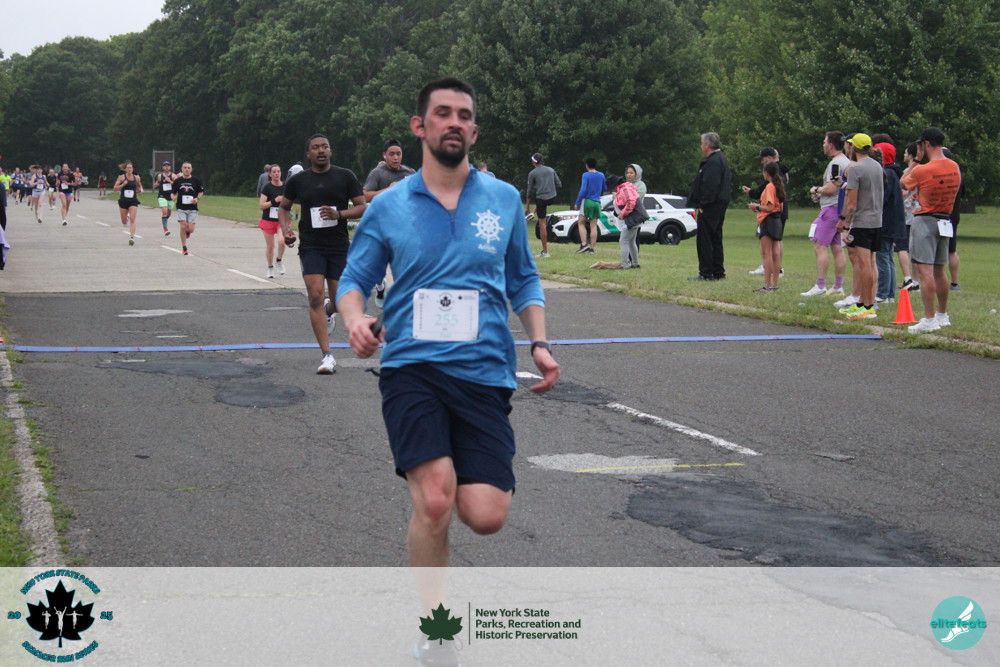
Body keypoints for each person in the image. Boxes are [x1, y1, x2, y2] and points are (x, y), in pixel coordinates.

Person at [336, 78, 559, 583]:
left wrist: (540, 344)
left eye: (464, 115)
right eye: (443, 113)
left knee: (486, 515)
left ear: (474, 132)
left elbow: (523, 278)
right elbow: (353, 280)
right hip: (411, 367)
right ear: (420, 126)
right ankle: (433, 621)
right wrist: (353, 319)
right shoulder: (389, 204)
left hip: (484, 370)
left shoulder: (503, 199)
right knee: (435, 501)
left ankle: (450, 469)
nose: (454, 122)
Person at [278, 134, 367, 374]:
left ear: (330, 151)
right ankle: (327, 356)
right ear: (308, 154)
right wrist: (286, 231)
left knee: (339, 301)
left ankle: (329, 311)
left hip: (338, 246)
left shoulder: (345, 176)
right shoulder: (298, 181)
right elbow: (284, 207)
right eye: (316, 147)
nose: (321, 151)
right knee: (315, 295)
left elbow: (362, 206)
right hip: (311, 246)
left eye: (325, 147)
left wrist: (340, 214)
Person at [899, 127, 962, 333]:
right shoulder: (954, 166)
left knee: (924, 271)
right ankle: (942, 315)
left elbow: (903, 183)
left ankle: (928, 318)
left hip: (925, 220)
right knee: (939, 270)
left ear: (926, 144)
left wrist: (916, 160)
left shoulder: (922, 170)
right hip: (945, 219)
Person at [363, 139, 416, 308]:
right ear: (384, 155)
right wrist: (388, 189)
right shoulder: (378, 173)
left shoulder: (410, 173)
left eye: (398, 154)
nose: (395, 157)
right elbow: (365, 196)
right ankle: (380, 286)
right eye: (391, 154)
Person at [835, 133, 883, 320]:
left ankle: (868, 306)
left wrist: (846, 224)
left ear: (854, 147)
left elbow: (852, 202)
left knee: (864, 265)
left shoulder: (855, 168)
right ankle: (862, 302)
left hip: (862, 221)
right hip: (876, 220)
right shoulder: (877, 165)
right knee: (869, 262)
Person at [802, 132, 850, 298]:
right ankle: (838, 286)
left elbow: (830, 189)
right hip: (841, 210)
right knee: (837, 249)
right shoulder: (847, 161)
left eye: (824, 142)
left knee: (819, 246)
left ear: (830, 145)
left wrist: (815, 189)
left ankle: (820, 286)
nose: (823, 145)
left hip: (830, 210)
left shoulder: (835, 163)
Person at [687, 132, 732, 281]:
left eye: (702, 143)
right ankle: (718, 271)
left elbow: (710, 185)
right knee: (715, 238)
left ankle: (706, 272)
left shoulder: (713, 162)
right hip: (719, 204)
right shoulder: (721, 159)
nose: (701, 146)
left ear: (707, 145)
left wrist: (703, 204)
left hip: (710, 205)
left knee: (705, 239)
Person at [744, 147, 788, 276]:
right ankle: (777, 269)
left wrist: (757, 206)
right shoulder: (783, 170)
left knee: (768, 244)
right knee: (777, 241)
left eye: (763, 159)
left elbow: (765, 197)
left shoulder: (772, 179)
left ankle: (769, 267)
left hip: (770, 215)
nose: (762, 162)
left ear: (768, 158)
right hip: (780, 211)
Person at [873, 142, 905, 305]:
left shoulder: (886, 174)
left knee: (882, 257)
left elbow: (882, 198)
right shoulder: (894, 173)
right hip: (893, 221)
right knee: (888, 257)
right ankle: (890, 294)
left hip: (885, 221)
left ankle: (883, 293)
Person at [747, 161, 785, 291]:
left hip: (767, 221)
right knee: (775, 253)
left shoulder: (769, 186)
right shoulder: (778, 185)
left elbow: (769, 207)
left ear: (766, 173)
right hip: (777, 220)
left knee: (766, 254)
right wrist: (760, 208)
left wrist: (757, 206)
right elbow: (779, 207)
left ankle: (767, 285)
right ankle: (775, 284)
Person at [524, 152, 561, 258]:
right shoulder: (551, 170)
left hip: (541, 199)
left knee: (542, 225)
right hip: (552, 197)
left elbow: (529, 192)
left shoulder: (532, 173)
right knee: (541, 202)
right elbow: (559, 184)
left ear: (533, 162)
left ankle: (545, 252)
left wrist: (527, 207)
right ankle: (533, 212)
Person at [942, 147, 966, 291]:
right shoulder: (959, 175)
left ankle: (938, 281)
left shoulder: (939, 175)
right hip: (954, 216)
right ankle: (954, 283)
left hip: (941, 215)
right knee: (952, 249)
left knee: (936, 251)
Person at [898, 142, 920, 292]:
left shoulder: (908, 172)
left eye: (906, 153)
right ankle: (916, 282)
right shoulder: (924, 170)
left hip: (906, 215)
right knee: (915, 251)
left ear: (911, 155)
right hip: (918, 214)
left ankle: (908, 279)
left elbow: (904, 192)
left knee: (902, 248)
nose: (904, 155)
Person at [608, 174, 643, 269]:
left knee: (623, 241)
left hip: (631, 220)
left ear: (616, 185)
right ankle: (635, 263)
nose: (612, 190)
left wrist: (623, 213)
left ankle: (625, 264)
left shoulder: (624, 189)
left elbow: (631, 202)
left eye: (612, 188)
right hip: (633, 219)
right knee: (631, 242)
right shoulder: (625, 188)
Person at [258, 164, 287, 278]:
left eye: (278, 171)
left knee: (282, 241)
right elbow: (261, 205)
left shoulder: (285, 186)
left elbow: (290, 201)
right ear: (270, 174)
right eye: (274, 172)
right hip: (268, 220)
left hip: (282, 219)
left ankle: (279, 260)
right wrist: (275, 200)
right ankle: (270, 267)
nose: (276, 174)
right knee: (270, 246)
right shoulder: (267, 187)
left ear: (281, 173)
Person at [573, 157, 606, 254]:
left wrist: (577, 202)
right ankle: (592, 248)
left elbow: (583, 190)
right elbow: (604, 187)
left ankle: (584, 244)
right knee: (593, 225)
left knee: (581, 222)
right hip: (597, 202)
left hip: (587, 201)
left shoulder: (586, 175)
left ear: (587, 165)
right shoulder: (601, 175)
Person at [172, 162, 204, 255]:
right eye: (185, 167)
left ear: (191, 169)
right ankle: (184, 247)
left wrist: (197, 199)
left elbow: (201, 192)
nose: (187, 169)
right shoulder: (178, 181)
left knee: (190, 229)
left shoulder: (196, 180)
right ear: (182, 169)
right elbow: (173, 192)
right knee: (183, 225)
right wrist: (173, 197)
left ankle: (187, 231)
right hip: (181, 207)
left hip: (192, 208)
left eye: (189, 168)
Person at [113, 160, 143, 245]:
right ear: (125, 169)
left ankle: (132, 237)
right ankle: (127, 217)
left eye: (131, 168)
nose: (129, 169)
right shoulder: (121, 178)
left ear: (133, 169)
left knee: (133, 219)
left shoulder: (136, 178)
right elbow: (114, 188)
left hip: (133, 201)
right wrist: (123, 184)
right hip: (123, 201)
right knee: (124, 221)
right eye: (128, 168)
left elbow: (139, 186)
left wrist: (139, 190)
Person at [153, 161, 176, 236]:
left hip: (170, 196)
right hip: (162, 196)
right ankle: (165, 229)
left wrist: (170, 181)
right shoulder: (160, 176)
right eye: (165, 166)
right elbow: (158, 182)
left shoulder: (173, 176)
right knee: (164, 211)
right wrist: (156, 184)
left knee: (169, 213)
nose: (166, 167)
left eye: (168, 166)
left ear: (170, 167)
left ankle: (164, 221)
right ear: (162, 167)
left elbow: (177, 185)